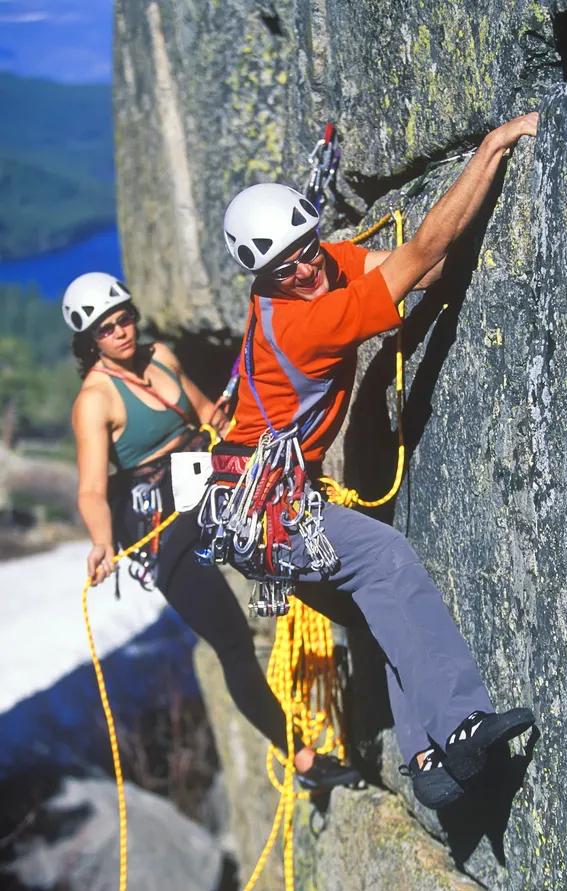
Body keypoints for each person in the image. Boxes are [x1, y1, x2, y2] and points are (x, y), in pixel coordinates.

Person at [216, 113, 540, 810]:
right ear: (263, 279)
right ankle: (460, 725)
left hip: (260, 504)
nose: (306, 268)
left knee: (382, 600)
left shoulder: (313, 268)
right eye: (285, 267)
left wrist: (407, 267)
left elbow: (417, 272)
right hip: (270, 510)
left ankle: (425, 755)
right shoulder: (300, 322)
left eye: (306, 249)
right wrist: (493, 146)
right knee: (386, 561)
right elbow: (421, 254)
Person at [64, 271, 360, 792]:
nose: (123, 332)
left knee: (292, 555)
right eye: (108, 329)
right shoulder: (95, 401)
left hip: (208, 479)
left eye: (125, 318)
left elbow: (207, 417)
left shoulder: (162, 359)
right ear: (91, 344)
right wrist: (102, 542)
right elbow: (91, 488)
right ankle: (303, 758)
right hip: (159, 519)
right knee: (232, 641)